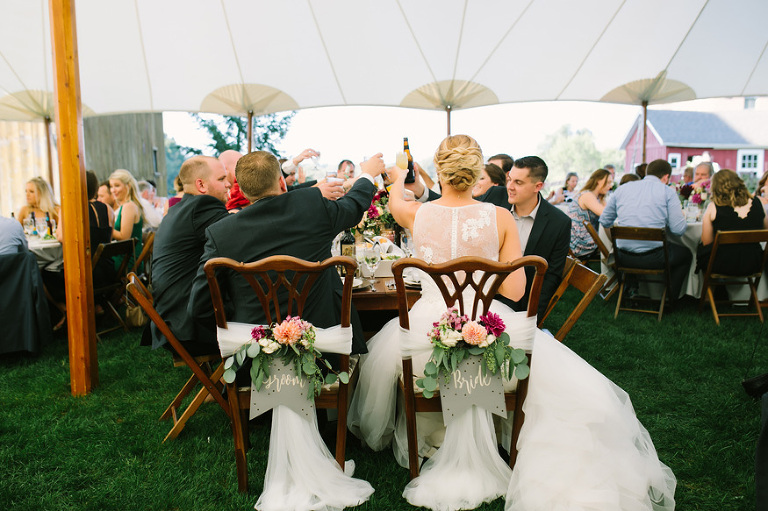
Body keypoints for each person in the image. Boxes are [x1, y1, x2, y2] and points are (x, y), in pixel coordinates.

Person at [348, 135, 676, 511]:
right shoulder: (500, 217)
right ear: (477, 174)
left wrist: (395, 178)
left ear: (439, 171)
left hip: (426, 348)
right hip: (490, 338)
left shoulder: (416, 214)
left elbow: (395, 199)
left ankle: (432, 434)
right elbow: (517, 291)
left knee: (387, 354)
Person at [188, 150, 385, 357]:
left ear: (244, 192)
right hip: (324, 348)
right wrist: (368, 175)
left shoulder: (221, 233)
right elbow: (353, 205)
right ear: (282, 182)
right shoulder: (313, 207)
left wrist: (239, 324)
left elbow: (199, 307)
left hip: (254, 355)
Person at [410, 155, 570, 317]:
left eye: (518, 182)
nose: (510, 187)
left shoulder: (559, 223)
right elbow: (457, 210)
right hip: (478, 298)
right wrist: (421, 191)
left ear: (538, 186)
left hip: (518, 305)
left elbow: (551, 278)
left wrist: (532, 317)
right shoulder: (496, 195)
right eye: (509, 179)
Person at [147, 156, 231, 354]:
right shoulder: (203, 206)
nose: (229, 184)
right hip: (189, 328)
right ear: (201, 185)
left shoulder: (180, 209)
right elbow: (236, 236)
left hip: (172, 321)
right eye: (221, 179)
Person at [600, 159, 690, 300]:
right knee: (686, 254)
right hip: (656, 258)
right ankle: (670, 299)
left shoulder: (623, 189)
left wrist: (616, 242)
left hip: (623, 257)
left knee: (639, 248)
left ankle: (631, 289)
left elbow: (604, 221)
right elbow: (678, 230)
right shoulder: (667, 192)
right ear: (666, 177)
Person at [696, 169, 768, 274]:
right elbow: (765, 231)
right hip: (753, 263)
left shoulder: (713, 207)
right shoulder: (758, 203)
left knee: (701, 251)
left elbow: (707, 242)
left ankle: (711, 289)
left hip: (722, 265)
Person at [566, 168, 613, 258]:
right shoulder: (587, 195)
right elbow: (607, 214)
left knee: (612, 243)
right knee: (615, 246)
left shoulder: (596, 197)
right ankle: (610, 270)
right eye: (608, 182)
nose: (610, 186)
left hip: (583, 240)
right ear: (598, 181)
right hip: (580, 243)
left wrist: (603, 198)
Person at [109, 169, 145, 270]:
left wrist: (107, 229)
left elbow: (124, 237)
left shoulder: (129, 206)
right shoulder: (127, 205)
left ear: (128, 186)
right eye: (111, 186)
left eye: (117, 186)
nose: (113, 190)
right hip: (125, 257)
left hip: (127, 261)